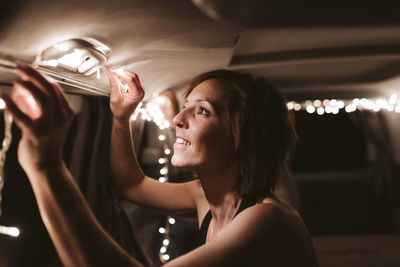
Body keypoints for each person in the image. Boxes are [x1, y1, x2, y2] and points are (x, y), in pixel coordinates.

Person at [3, 65, 318, 266]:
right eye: (184, 107)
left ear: (242, 134)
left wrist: (45, 163)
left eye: (202, 111)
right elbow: (132, 184)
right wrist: (121, 116)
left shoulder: (266, 219)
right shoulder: (205, 196)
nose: (178, 120)